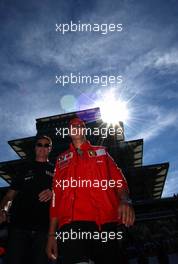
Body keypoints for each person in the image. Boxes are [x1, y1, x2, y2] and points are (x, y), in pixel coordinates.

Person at [46, 118, 135, 264]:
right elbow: (56, 199)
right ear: (69, 132)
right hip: (71, 226)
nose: (76, 127)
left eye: (80, 125)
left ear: (84, 130)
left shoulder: (102, 152)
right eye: (72, 126)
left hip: (105, 223)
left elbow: (119, 180)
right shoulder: (61, 159)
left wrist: (125, 200)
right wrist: (51, 234)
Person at [0, 135, 54, 264]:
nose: (42, 147)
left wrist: (53, 192)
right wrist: (3, 209)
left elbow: (65, 194)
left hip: (43, 230)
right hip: (19, 228)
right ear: (35, 148)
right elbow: (9, 196)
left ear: (50, 149)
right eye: (39, 144)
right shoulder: (24, 169)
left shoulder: (56, 170)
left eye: (46, 145)